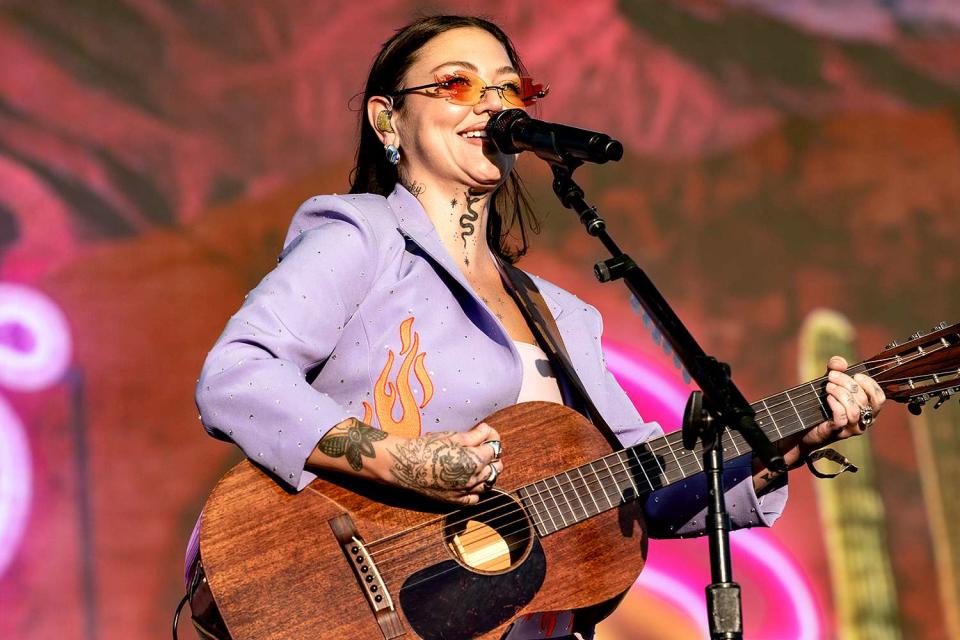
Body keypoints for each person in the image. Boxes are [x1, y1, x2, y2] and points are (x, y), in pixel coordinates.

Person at [185, 15, 886, 640]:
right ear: (386, 119)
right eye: (456, 85)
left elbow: (645, 486)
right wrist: (407, 460)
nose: (492, 105)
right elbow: (239, 374)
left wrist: (788, 442)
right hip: (360, 599)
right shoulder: (364, 238)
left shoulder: (562, 314)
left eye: (509, 89)